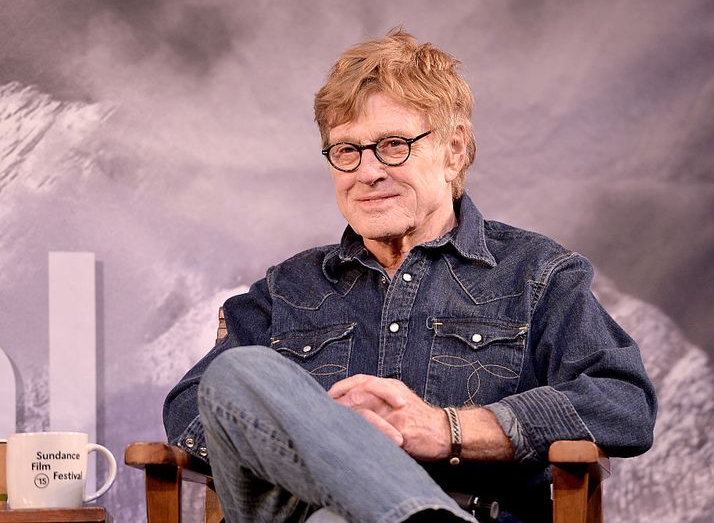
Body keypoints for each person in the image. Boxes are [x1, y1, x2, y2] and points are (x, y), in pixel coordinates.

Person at [163, 29, 657, 523]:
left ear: (454, 150)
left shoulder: (537, 275)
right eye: (346, 151)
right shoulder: (286, 289)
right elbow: (192, 406)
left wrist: (452, 430)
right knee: (236, 375)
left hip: (474, 512)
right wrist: (326, 437)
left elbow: (623, 401)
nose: (368, 171)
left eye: (393, 145)